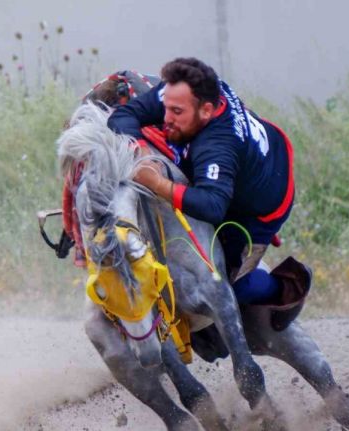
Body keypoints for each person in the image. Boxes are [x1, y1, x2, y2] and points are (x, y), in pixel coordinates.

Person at [107, 57, 310, 307]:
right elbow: (125, 115)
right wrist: (140, 149)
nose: (166, 117)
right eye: (166, 107)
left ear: (206, 110)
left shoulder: (216, 146)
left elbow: (212, 206)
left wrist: (157, 183)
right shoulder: (183, 92)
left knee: (229, 292)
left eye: (177, 112)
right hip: (251, 156)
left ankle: (287, 285)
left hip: (266, 201)